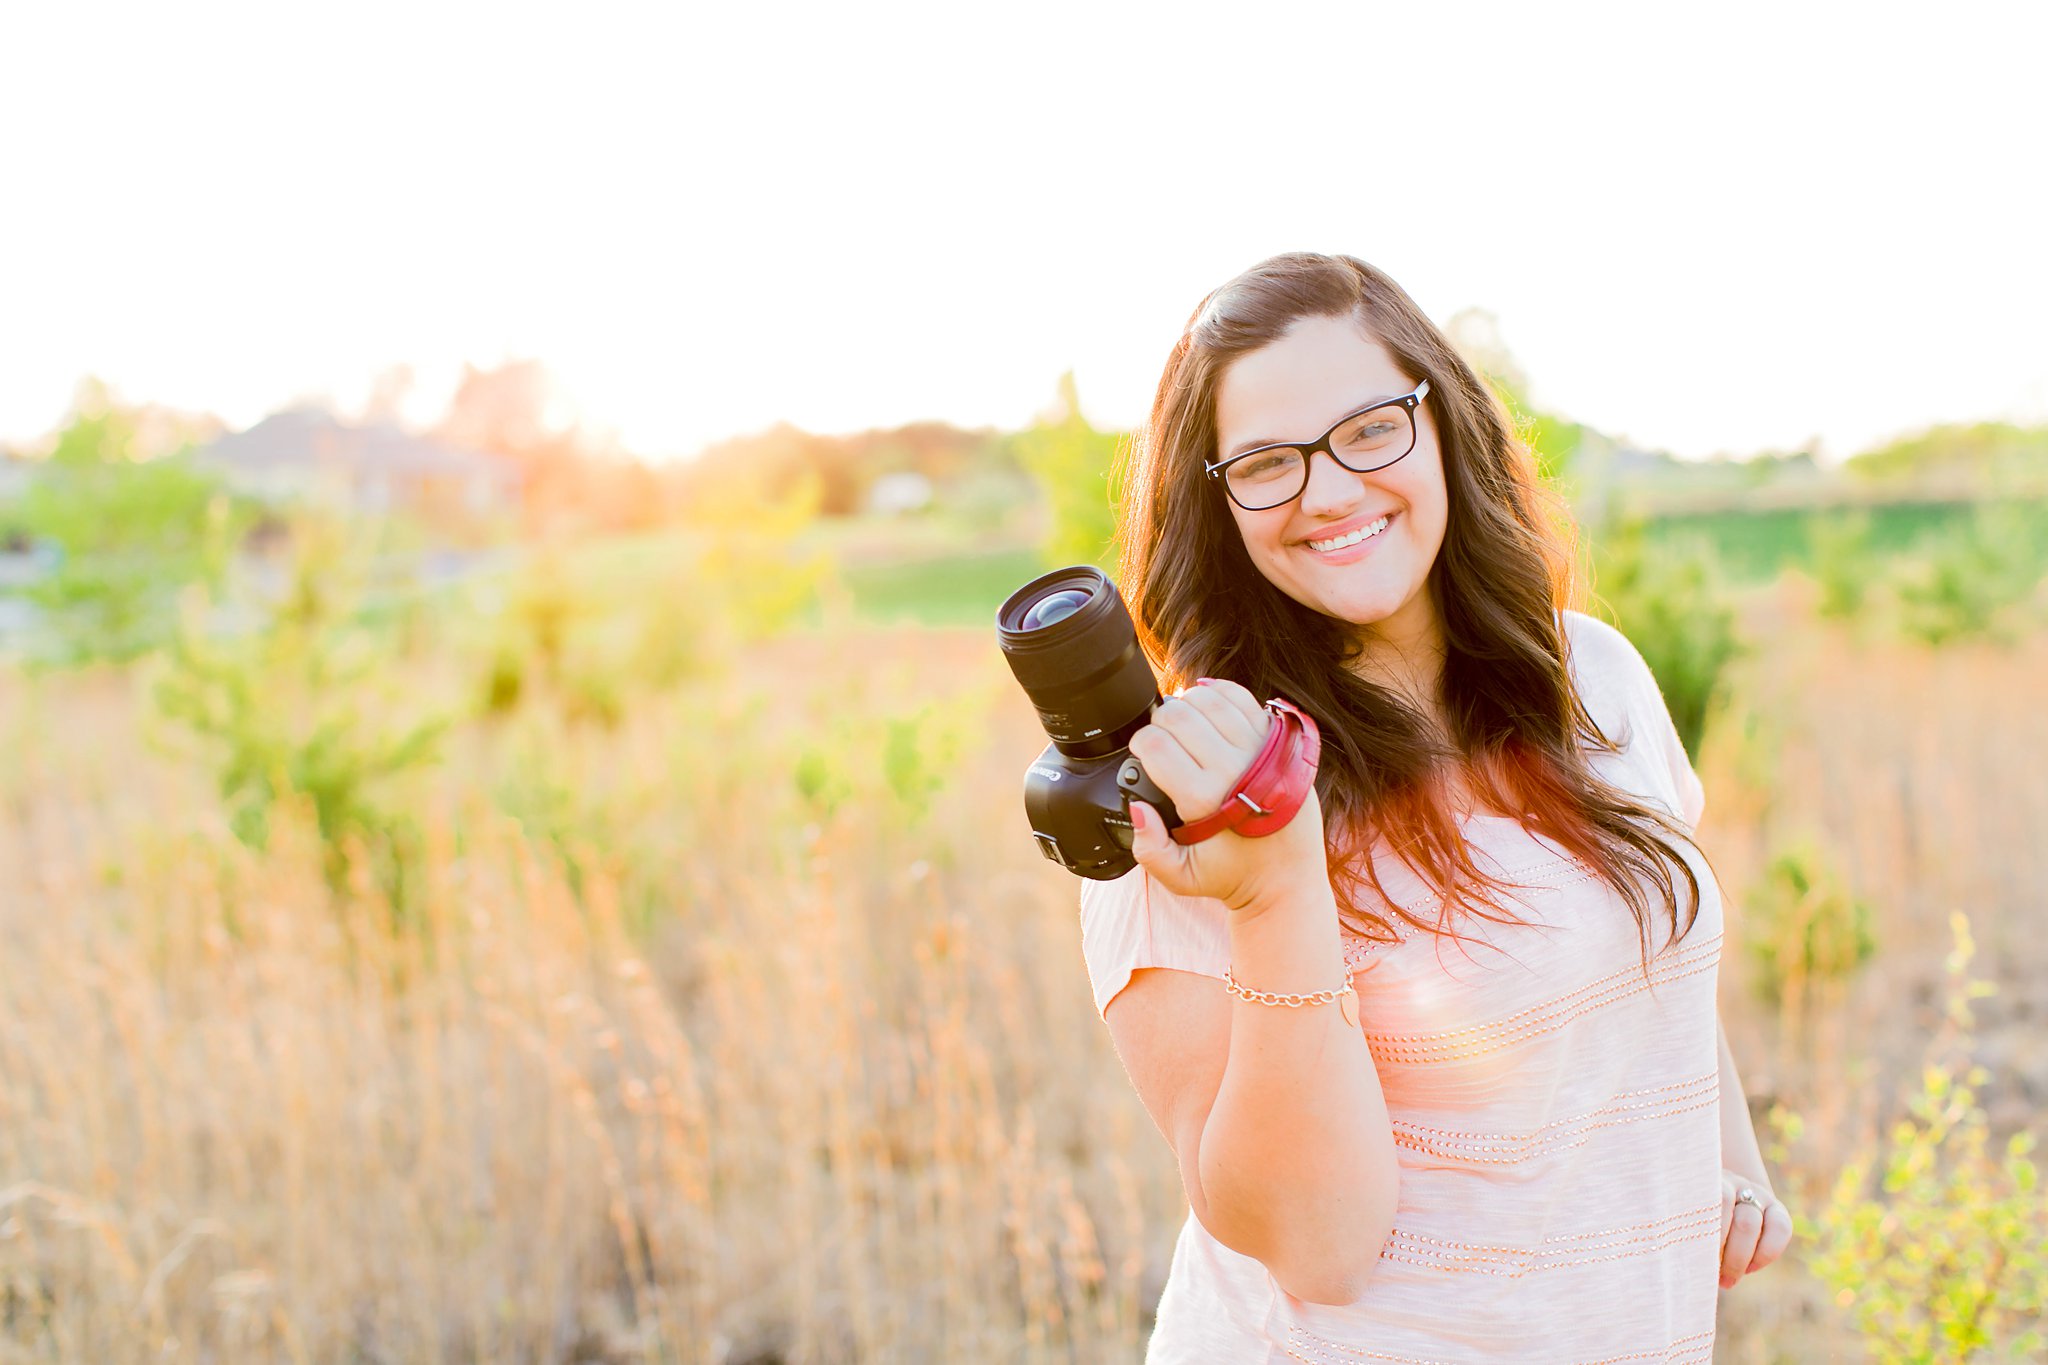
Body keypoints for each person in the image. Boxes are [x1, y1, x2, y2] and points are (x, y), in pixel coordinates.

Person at [1076, 252, 1792, 1362]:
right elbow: (1315, 1244)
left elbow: (1662, 955)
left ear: (1442, 422)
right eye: (1265, 462)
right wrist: (1276, 893)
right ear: (1216, 504)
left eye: (1368, 429)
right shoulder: (1194, 795)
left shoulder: (1591, 676)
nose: (1326, 490)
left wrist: (1726, 1160)